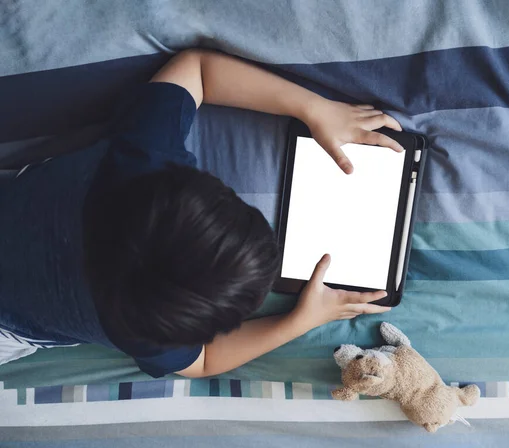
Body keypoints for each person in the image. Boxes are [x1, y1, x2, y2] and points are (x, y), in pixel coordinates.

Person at [0, 49, 403, 378]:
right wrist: (299, 321)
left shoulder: (141, 160)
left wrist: (314, 108)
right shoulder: (144, 335)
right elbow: (206, 361)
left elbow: (198, 68)